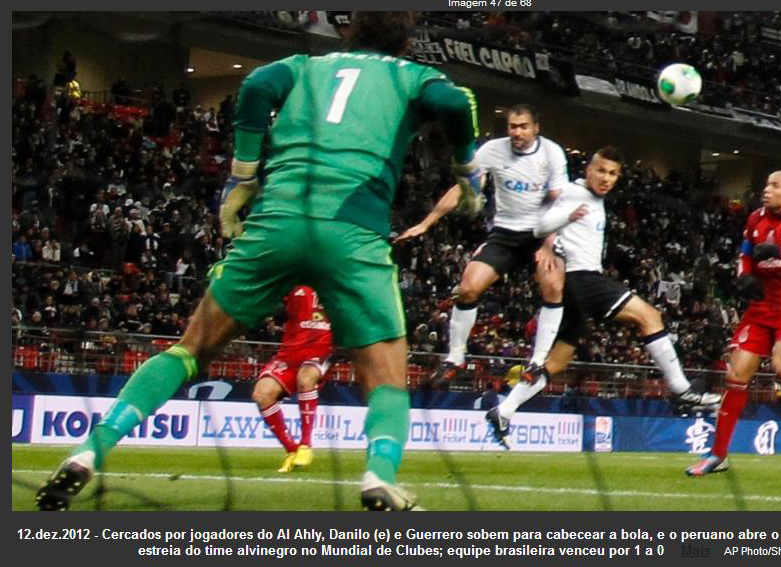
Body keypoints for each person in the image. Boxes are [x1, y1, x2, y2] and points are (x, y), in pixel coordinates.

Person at [36, 12, 481, 512]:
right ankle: (378, 474)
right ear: (405, 40)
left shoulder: (303, 66)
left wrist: (243, 174)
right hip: (352, 231)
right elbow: (454, 101)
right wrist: (466, 170)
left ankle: (88, 453)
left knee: (189, 350)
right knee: (386, 379)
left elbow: (255, 85)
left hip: (276, 223)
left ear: (349, 28)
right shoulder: (412, 76)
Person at [485, 147, 720, 448]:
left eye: (612, 174)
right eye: (601, 171)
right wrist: (549, 241)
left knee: (557, 362)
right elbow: (542, 223)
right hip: (581, 279)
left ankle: (504, 410)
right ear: (588, 170)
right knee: (649, 316)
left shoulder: (594, 200)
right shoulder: (574, 193)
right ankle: (682, 390)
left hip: (577, 287)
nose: (606, 178)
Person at [395, 104, 569, 384]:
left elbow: (557, 201)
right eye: (513, 126)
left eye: (524, 126)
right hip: (505, 232)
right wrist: (426, 223)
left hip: (541, 231)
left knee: (553, 287)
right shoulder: (492, 150)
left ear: (536, 128)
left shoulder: (552, 153)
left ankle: (538, 362)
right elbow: (464, 187)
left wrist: (548, 244)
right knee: (467, 289)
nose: (517, 132)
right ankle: (455, 359)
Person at [686, 170, 781, 476]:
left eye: (775, 186)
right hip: (761, 306)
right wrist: (744, 277)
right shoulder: (755, 218)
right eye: (766, 184)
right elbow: (745, 253)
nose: (767, 189)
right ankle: (718, 454)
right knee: (736, 374)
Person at [251, 285, 333, 473]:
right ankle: (291, 449)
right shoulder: (294, 280)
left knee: (306, 379)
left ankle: (305, 444)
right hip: (290, 351)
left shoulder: (338, 279)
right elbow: (273, 302)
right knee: (262, 394)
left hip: (321, 347)